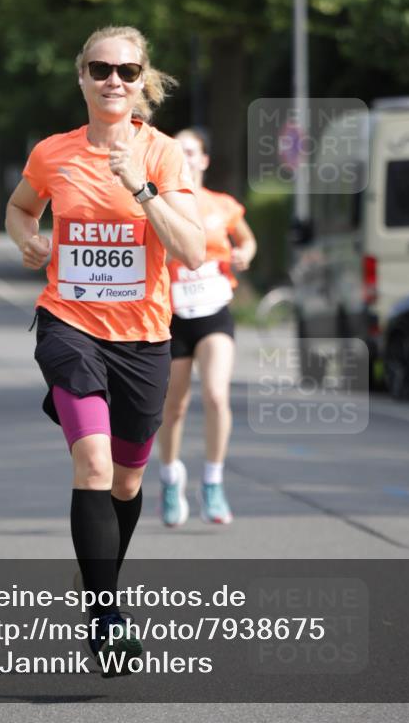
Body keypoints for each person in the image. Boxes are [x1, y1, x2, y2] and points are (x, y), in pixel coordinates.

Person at [6, 26, 205, 673]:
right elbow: (19, 206)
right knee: (91, 467)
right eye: (100, 68)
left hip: (144, 337)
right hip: (69, 323)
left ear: (142, 78)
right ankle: (104, 617)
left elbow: (192, 250)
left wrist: (141, 190)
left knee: (125, 480)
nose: (112, 80)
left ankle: (100, 587)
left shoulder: (163, 155)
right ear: (81, 76)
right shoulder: (52, 153)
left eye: (125, 70)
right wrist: (26, 238)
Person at [157, 129, 257, 527]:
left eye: (191, 151)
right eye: (177, 150)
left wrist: (243, 255)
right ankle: (169, 478)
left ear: (204, 160)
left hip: (214, 309)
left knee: (217, 396)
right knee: (174, 405)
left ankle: (212, 484)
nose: (184, 156)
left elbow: (247, 241)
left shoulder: (221, 205)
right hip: (171, 314)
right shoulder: (160, 202)